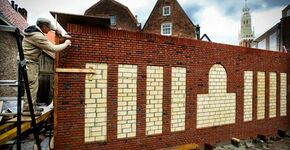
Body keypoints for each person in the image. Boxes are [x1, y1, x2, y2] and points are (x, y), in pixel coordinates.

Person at [22, 18, 71, 116]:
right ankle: (27, 110)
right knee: (32, 86)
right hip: (29, 63)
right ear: (43, 26)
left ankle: (31, 106)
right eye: (48, 28)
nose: (49, 30)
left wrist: (56, 29)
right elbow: (53, 48)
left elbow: (50, 26)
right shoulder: (37, 36)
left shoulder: (34, 29)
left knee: (33, 85)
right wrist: (66, 43)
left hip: (30, 62)